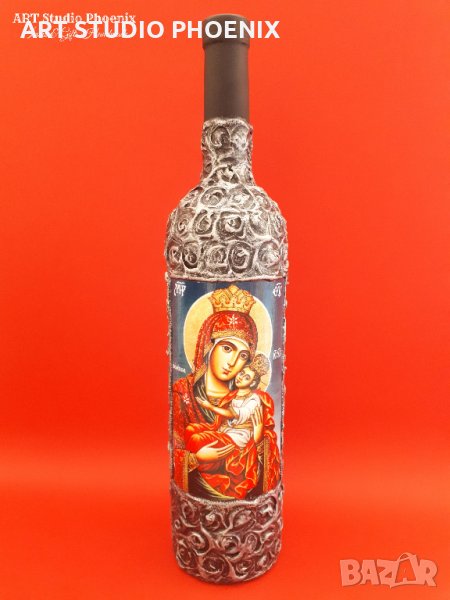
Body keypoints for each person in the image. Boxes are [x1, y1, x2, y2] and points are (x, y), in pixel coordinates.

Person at [172, 284, 280, 500]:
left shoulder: (256, 399)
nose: (232, 362)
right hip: (195, 505)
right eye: (227, 348)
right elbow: (178, 448)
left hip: (244, 490)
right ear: (208, 346)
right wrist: (196, 458)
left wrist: (258, 437)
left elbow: (268, 455)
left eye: (243, 356)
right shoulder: (183, 393)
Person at [184, 354, 271, 499]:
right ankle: (199, 464)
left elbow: (234, 414)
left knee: (197, 439)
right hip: (224, 432)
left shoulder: (254, 399)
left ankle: (202, 464)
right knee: (190, 430)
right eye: (241, 373)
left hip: (237, 439)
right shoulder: (233, 395)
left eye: (246, 377)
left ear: (252, 383)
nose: (240, 377)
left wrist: (210, 407)